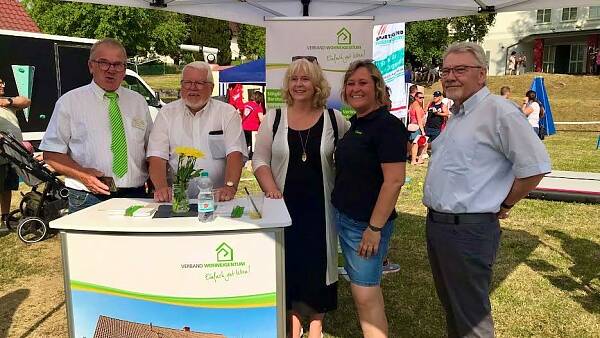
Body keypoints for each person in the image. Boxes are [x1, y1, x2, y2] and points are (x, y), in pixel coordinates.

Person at [423, 42, 551, 338]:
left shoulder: (499, 112)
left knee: (472, 319)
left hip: (469, 231)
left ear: (481, 75)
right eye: (446, 70)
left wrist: (505, 205)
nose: (450, 76)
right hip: (440, 227)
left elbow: (535, 167)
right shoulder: (458, 115)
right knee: (455, 311)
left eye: (460, 70)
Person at [253, 58, 348, 338]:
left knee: (320, 260)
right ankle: (293, 319)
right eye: (294, 79)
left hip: (321, 205)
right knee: (288, 261)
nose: (299, 84)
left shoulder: (334, 119)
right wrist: (270, 188)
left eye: (305, 79)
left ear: (316, 83)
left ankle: (316, 323)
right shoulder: (274, 118)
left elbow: (347, 158)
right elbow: (259, 159)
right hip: (283, 203)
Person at [332, 59, 408, 338]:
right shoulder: (356, 122)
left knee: (365, 292)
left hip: (365, 225)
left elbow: (395, 180)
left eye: (362, 82)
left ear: (377, 87)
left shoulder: (387, 126)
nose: (355, 88)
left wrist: (374, 229)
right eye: (350, 83)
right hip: (346, 217)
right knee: (361, 287)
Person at [40, 38, 152, 213]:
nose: (111, 70)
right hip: (89, 196)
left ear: (125, 69)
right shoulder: (69, 102)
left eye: (117, 64)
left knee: (133, 241)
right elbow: (51, 153)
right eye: (103, 63)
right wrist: (83, 175)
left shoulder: (138, 102)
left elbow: (150, 148)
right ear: (91, 66)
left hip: (135, 194)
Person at [147, 61, 246, 203]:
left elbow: (235, 153)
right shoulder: (166, 113)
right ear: (181, 86)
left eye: (199, 83)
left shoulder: (227, 113)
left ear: (211, 88)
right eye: (187, 82)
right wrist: (161, 188)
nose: (192, 88)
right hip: (176, 199)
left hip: (217, 198)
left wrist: (229, 186)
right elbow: (156, 156)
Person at [0, 78, 31, 227]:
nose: (2, 85)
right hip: (2, 151)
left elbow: (26, 101)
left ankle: (5, 216)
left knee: (7, 186)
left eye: (2, 82)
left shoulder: (7, 103)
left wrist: (8, 102)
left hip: (13, 152)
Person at [242, 91, 265, 159]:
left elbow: (238, 112)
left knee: (245, 145)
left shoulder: (246, 104)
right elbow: (261, 119)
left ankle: (244, 160)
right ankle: (250, 160)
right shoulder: (258, 107)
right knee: (253, 147)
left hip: (244, 127)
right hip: (253, 129)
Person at [407, 92, 427, 165]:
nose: (421, 99)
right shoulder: (417, 106)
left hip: (412, 126)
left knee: (416, 143)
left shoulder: (412, 105)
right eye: (420, 97)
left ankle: (417, 159)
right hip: (416, 126)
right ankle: (414, 160)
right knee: (417, 144)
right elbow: (419, 119)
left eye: (423, 97)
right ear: (416, 97)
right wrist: (422, 130)